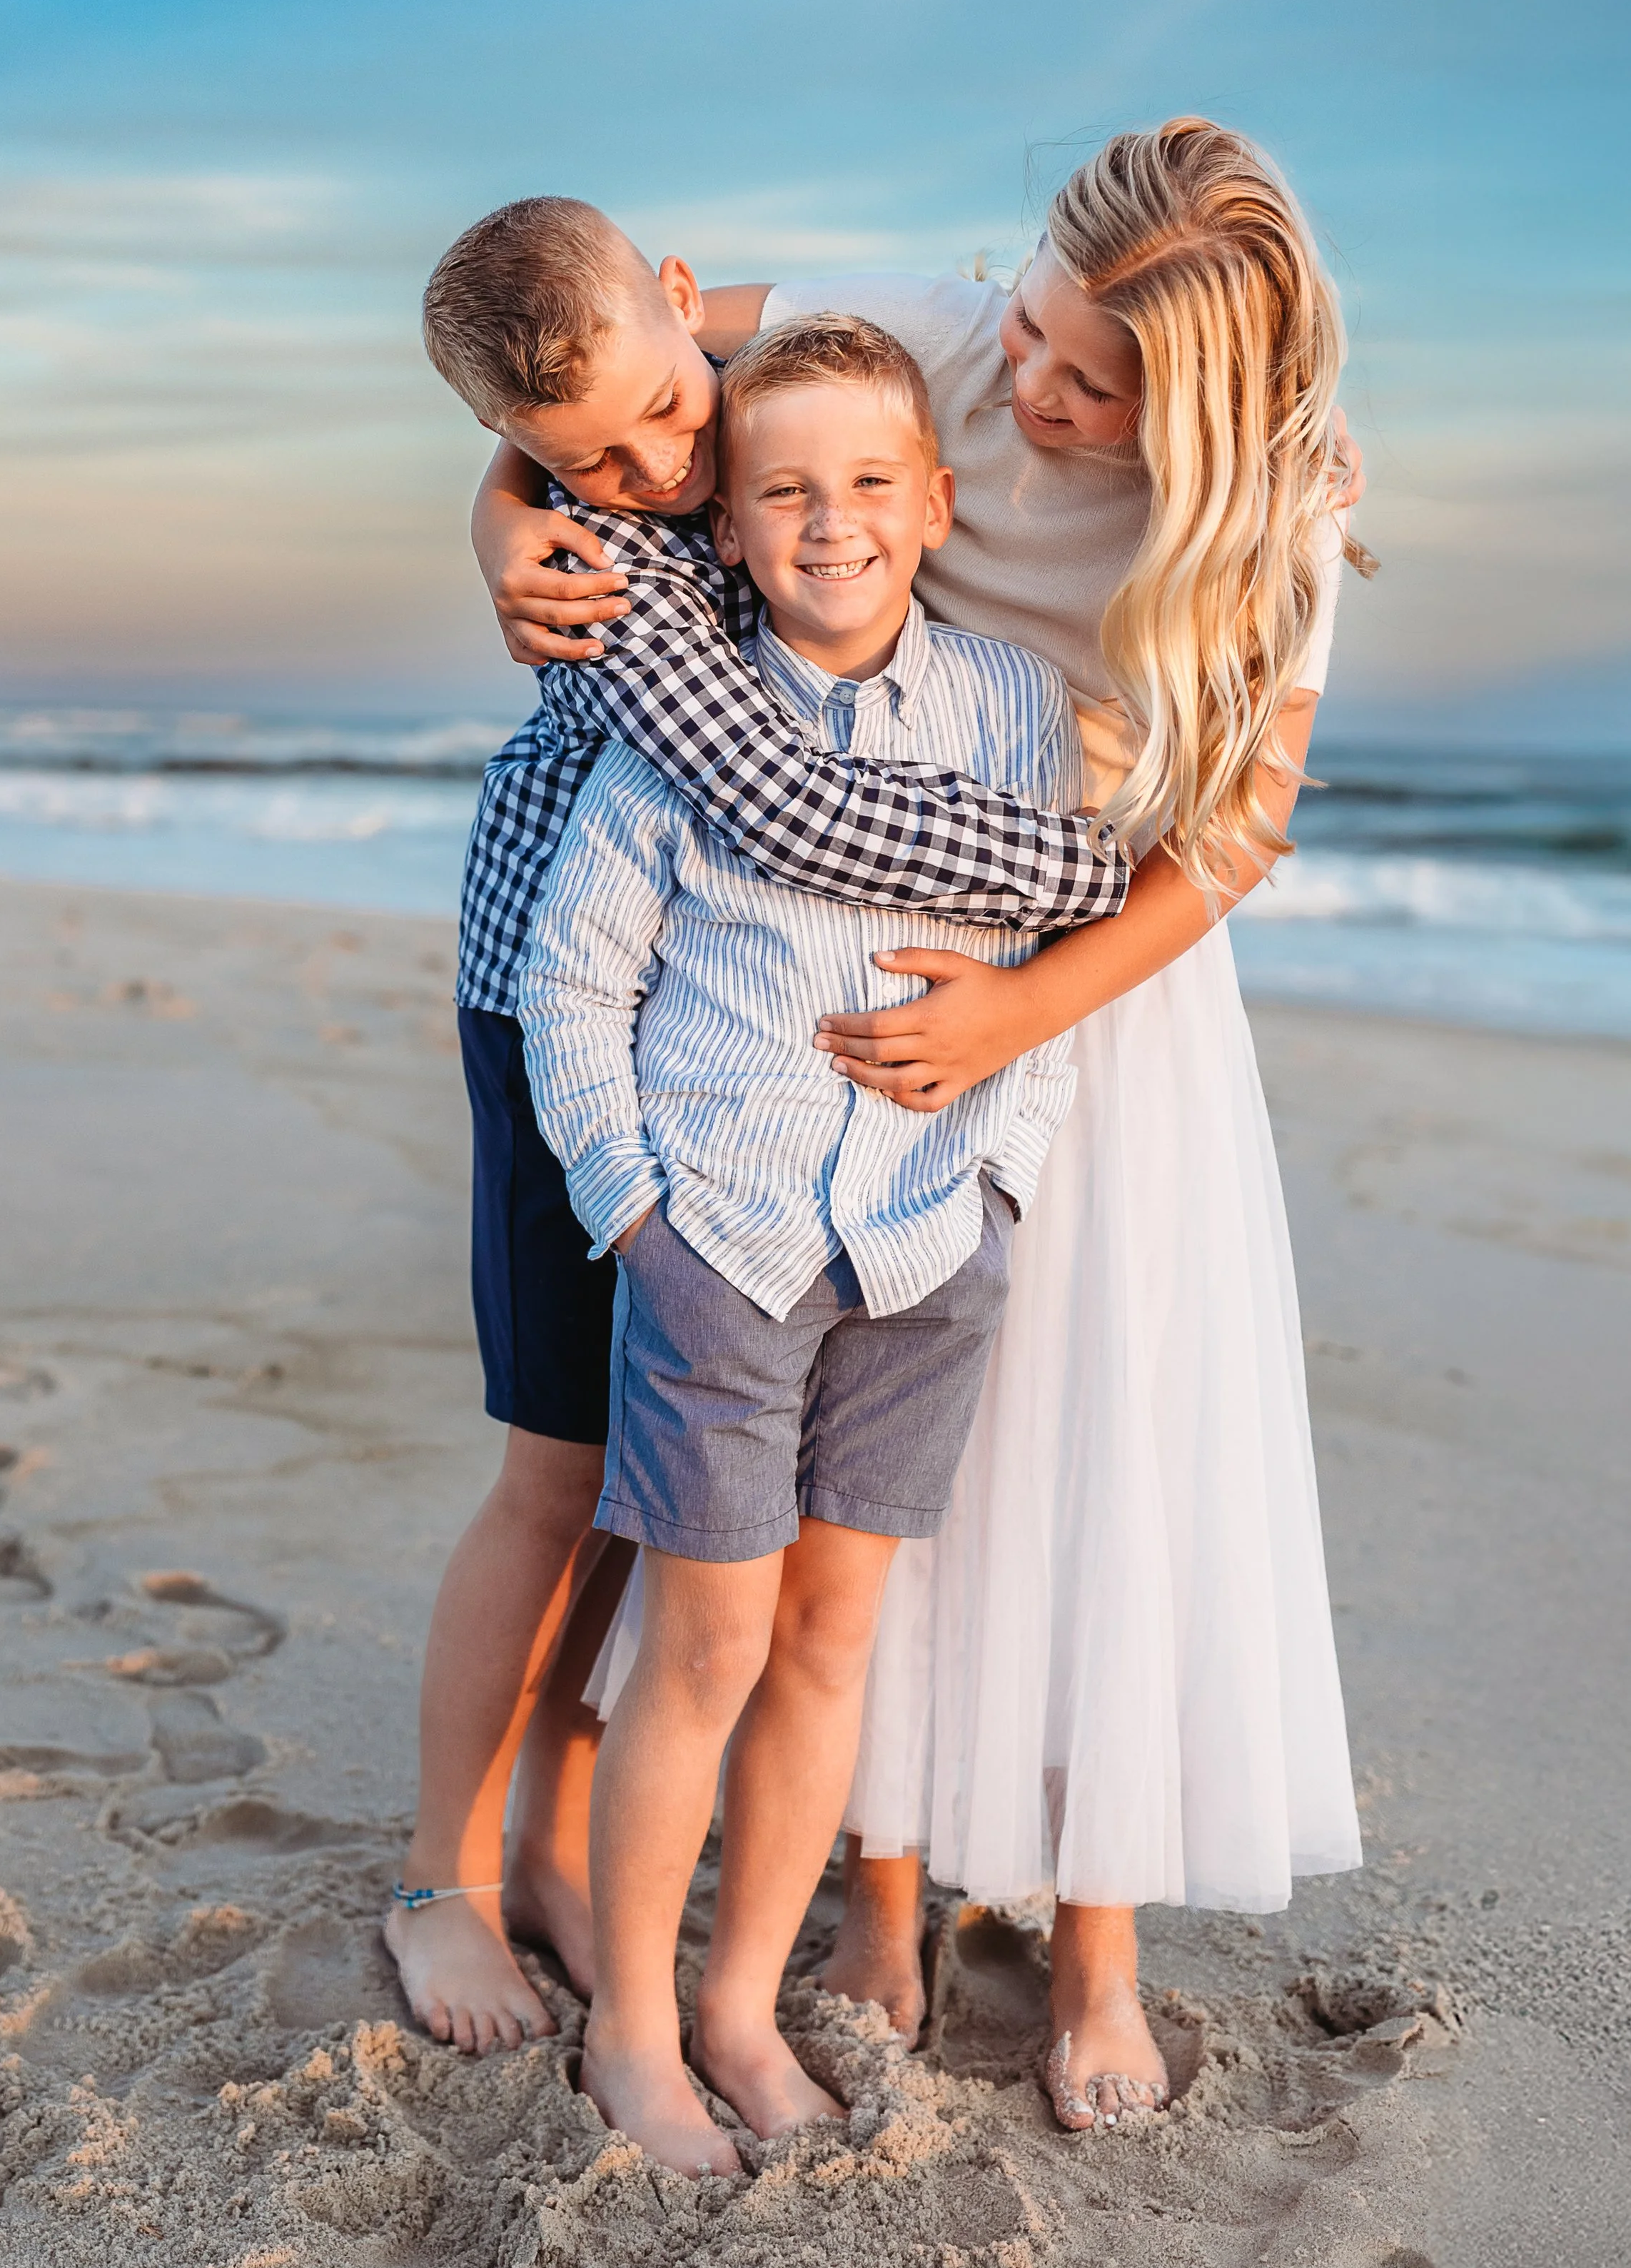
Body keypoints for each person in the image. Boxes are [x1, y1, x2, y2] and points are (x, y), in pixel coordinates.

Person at [472, 119, 1370, 2132]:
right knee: (887, 1527)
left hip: (1090, 991)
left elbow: (1237, 824)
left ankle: (1094, 1941)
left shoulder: (1277, 516)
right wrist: (497, 507)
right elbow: (631, 366)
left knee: (1098, 1465)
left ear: (1208, 416)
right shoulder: (942, 332)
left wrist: (1017, 1014)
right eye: (1039, 333)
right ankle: (873, 1900)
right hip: (818, 1018)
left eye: (1094, 383)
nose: (1041, 387)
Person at [392, 199, 1128, 2057]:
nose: (648, 470)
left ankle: (559, 1839)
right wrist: (1085, 879)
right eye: (581, 465)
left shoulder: (760, 402)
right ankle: (443, 1875)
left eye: (661, 416)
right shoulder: (617, 554)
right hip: (565, 1000)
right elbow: (784, 805)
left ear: (681, 300)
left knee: (657, 1514)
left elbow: (975, 345)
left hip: (742, 1060)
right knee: (559, 1472)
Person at [519, 314, 1082, 2177]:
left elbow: (1039, 983)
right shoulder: (686, 725)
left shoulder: (1006, 707)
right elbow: (572, 981)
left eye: (864, 483)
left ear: (930, 503)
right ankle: (630, 2027)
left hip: (922, 1251)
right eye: (783, 491)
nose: (827, 521)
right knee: (705, 1642)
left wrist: (989, 1167)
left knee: (831, 1640)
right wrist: (637, 1213)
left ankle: (743, 2006)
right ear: (736, 529)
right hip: (725, 1244)